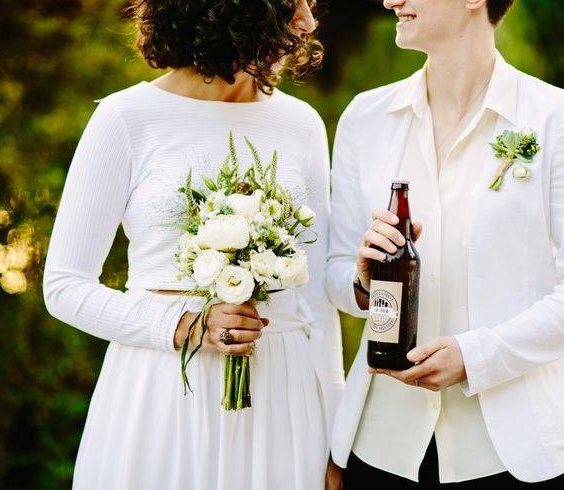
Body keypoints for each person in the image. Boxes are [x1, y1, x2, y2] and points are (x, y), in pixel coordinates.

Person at [42, 1, 344, 488]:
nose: (309, 22)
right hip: (164, 392)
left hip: (284, 402)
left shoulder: (302, 123)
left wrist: (336, 430)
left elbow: (316, 298)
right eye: (293, 5)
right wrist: (185, 326)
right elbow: (64, 287)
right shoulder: (126, 117)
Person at [325, 0, 564, 488]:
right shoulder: (366, 117)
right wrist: (362, 278)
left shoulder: (556, 117)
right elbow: (337, 273)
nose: (390, 1)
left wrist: (478, 357)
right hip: (382, 447)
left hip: (513, 454)